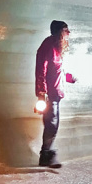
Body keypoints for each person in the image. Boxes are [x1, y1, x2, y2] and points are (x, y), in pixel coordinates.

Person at [35, 20, 76, 168]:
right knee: (52, 123)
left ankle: (46, 154)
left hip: (56, 92)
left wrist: (70, 78)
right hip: (49, 92)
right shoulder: (48, 45)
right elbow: (42, 69)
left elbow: (59, 70)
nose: (69, 33)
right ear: (59, 31)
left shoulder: (58, 47)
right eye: (66, 30)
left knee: (53, 123)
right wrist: (42, 91)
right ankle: (45, 155)